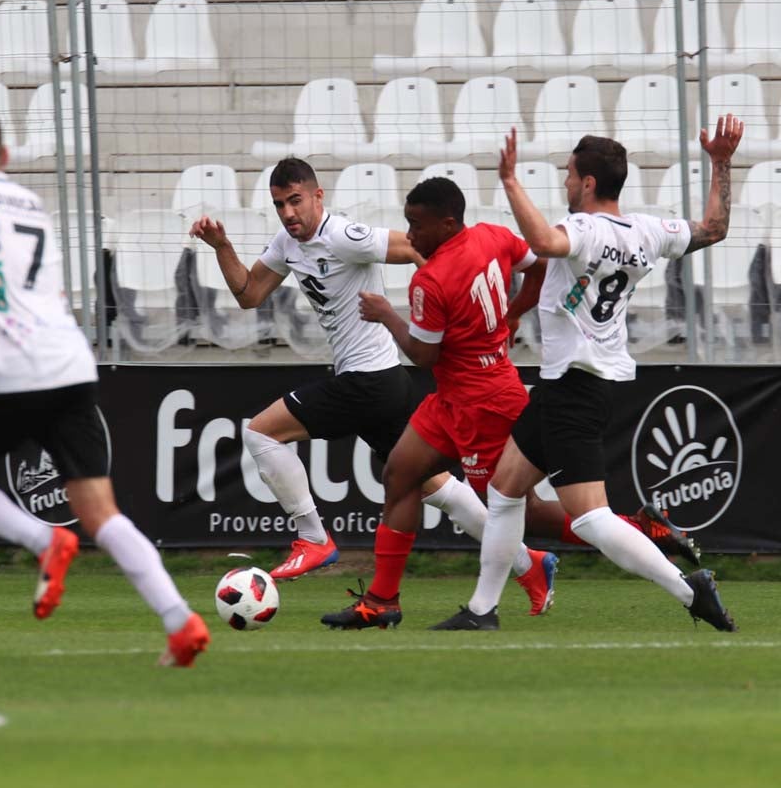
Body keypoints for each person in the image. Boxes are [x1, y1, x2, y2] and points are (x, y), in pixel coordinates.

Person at [0, 109, 210, 667]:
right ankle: (181, 623)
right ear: (5, 157)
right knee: (102, 515)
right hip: (69, 364)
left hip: (16, 372)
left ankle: (44, 541)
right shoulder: (31, 206)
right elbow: (11, 300)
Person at [190, 158, 556, 612]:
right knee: (434, 486)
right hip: (383, 384)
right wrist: (222, 245)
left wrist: (453, 297)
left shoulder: (344, 235)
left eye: (296, 201)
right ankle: (530, 564)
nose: (288, 212)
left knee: (260, 432)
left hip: (369, 381)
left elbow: (418, 247)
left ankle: (312, 537)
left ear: (318, 196)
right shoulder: (287, 243)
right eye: (280, 204)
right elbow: (249, 294)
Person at [430, 116, 745, 632]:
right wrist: (721, 162)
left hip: (575, 386)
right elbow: (715, 229)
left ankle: (691, 590)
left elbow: (546, 242)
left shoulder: (583, 229)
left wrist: (510, 181)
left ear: (589, 183)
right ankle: (482, 611)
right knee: (505, 491)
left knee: (591, 518)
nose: (565, 182)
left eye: (570, 174)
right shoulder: (647, 229)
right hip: (582, 382)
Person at [319, 176, 552, 630]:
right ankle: (382, 601)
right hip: (452, 398)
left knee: (528, 510)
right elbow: (539, 267)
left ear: (447, 224)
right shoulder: (493, 235)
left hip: (483, 402)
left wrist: (387, 316)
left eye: (417, 226)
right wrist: (515, 311)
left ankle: (631, 532)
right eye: (408, 224)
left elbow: (424, 355)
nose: (410, 236)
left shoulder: (431, 279)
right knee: (400, 474)